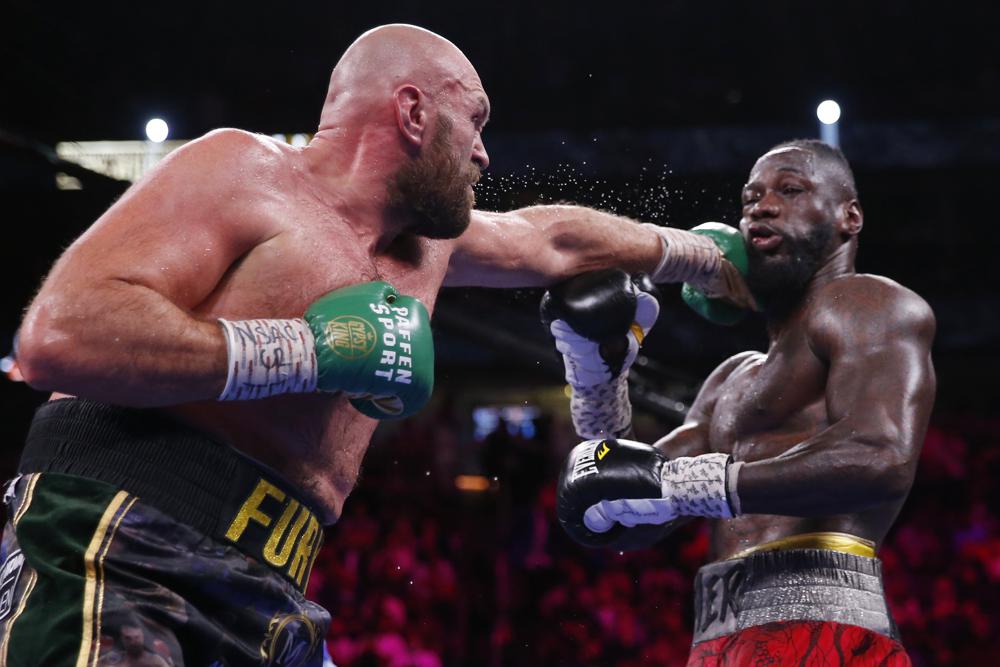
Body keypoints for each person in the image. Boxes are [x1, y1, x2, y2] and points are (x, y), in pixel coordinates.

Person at [1, 24, 753, 666]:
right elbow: (58, 336)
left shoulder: (429, 248)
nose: (485, 154)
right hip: (120, 540)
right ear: (414, 112)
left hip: (272, 586)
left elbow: (552, 238)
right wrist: (307, 349)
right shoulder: (245, 172)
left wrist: (701, 256)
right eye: (475, 121)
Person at [551, 140, 935, 665]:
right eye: (750, 198)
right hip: (717, 641)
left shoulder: (867, 304)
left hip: (824, 629)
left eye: (790, 190)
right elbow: (619, 507)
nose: (763, 206)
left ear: (850, 216)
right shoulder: (731, 378)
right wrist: (598, 377)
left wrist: (694, 484)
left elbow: (881, 458)